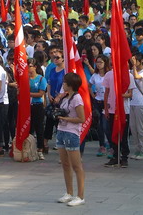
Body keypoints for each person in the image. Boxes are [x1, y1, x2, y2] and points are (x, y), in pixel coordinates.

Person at [56, 73, 86, 207]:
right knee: (65, 164)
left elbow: (81, 118)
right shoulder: (65, 97)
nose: (63, 84)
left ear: (70, 84)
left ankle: (80, 196)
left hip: (72, 133)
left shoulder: (77, 98)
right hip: (61, 131)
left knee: (76, 166)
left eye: (65, 82)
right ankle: (69, 192)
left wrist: (65, 118)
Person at [28, 57, 47, 160]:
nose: (28, 68)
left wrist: (28, 94)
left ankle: (40, 149)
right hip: (28, 106)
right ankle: (29, 149)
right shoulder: (25, 78)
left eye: (30, 66)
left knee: (39, 128)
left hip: (38, 105)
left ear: (35, 67)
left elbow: (40, 94)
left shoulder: (41, 79)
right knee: (29, 128)